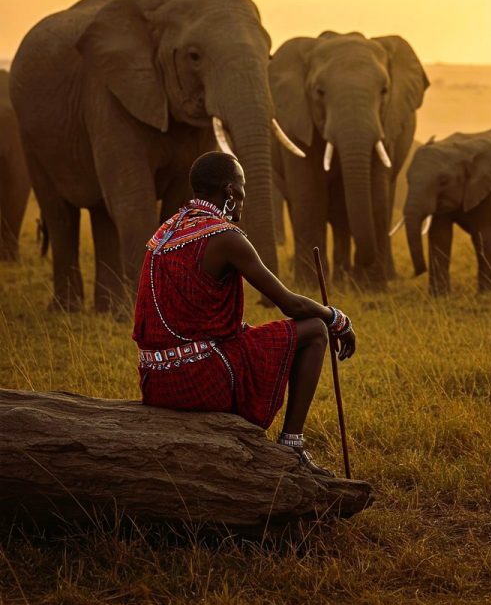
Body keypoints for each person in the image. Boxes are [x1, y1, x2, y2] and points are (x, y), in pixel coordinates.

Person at [132, 151, 355, 477]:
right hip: (199, 381)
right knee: (315, 331)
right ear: (230, 193)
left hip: (155, 380)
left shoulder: (166, 231)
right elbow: (291, 305)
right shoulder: (225, 238)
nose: (243, 199)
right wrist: (337, 318)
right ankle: (292, 446)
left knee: (262, 335)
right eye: (242, 190)